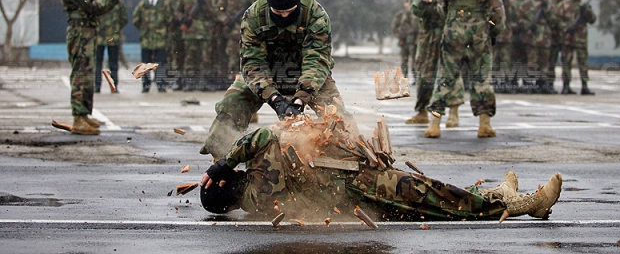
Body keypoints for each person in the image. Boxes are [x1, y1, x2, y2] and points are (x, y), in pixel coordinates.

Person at [199, 121, 562, 222]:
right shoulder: (257, 188)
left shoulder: (255, 203)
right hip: (361, 187)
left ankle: (497, 194)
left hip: (356, 194)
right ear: (224, 184)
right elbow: (261, 136)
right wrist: (223, 162)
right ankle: (524, 204)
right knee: (433, 197)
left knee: (432, 198)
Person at [199, 0, 356, 160]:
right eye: (278, 13)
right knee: (231, 105)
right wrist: (276, 100)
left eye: (289, 12)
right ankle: (220, 162)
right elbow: (252, 64)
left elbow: (317, 61)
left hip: (307, 75)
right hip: (267, 73)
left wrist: (300, 100)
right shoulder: (253, 16)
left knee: (339, 118)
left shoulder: (316, 15)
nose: (284, 17)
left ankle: (353, 160)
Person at [426, 0, 505, 138]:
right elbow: (498, 12)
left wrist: (452, 21)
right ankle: (484, 124)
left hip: (453, 34)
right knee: (481, 78)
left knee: (445, 78)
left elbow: (440, 6)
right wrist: (493, 31)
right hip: (479, 35)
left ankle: (434, 124)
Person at [60, 0, 131, 134]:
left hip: (86, 33)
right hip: (80, 33)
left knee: (87, 74)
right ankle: (78, 117)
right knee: (80, 75)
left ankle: (83, 115)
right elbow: (92, 6)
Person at [405, 0, 455, 125]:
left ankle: (452, 112)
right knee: (424, 75)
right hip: (427, 35)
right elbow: (415, 8)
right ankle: (421, 111)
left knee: (449, 73)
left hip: (445, 33)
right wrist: (423, 3)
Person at [555, 0, 597, 95]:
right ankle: (566, 86)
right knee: (566, 63)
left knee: (583, 63)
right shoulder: (563, 5)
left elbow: (592, 20)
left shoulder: (584, 6)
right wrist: (566, 29)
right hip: (568, 39)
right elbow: (557, 21)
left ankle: (584, 85)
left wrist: (586, 11)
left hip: (581, 39)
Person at [175, 0, 214, 91]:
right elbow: (177, 11)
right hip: (190, 32)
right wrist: (183, 19)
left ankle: (204, 82)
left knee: (205, 59)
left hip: (204, 33)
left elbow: (213, 13)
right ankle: (189, 82)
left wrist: (205, 5)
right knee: (189, 59)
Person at [133, 0, 169, 93]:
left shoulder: (163, 4)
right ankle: (146, 84)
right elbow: (136, 20)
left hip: (160, 39)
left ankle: (161, 84)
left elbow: (169, 19)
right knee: (145, 64)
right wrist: (145, 30)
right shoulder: (143, 4)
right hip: (146, 39)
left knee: (160, 63)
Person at [94, 0, 128, 94]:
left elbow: (124, 18)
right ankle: (96, 86)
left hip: (113, 37)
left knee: (113, 63)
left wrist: (116, 29)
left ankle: (114, 86)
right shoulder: (97, 1)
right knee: (97, 63)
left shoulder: (118, 3)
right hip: (99, 37)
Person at [167, 0, 189, 90]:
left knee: (188, 56)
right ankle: (178, 79)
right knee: (177, 56)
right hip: (177, 32)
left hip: (190, 31)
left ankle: (187, 79)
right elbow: (169, 13)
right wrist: (174, 20)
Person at [391, 0, 418, 83]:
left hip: (413, 41)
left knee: (415, 60)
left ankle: (415, 78)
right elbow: (394, 27)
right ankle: (404, 77)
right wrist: (399, 36)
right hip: (404, 41)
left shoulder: (416, 14)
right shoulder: (400, 15)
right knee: (404, 60)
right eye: (407, 2)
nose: (408, 4)